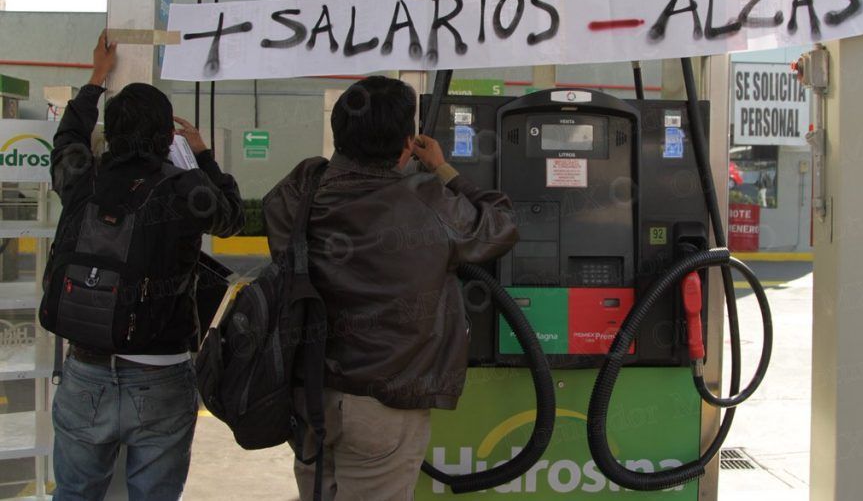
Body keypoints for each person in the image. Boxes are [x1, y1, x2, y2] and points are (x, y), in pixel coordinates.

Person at [263, 76, 518, 501]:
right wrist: (443, 168)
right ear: (406, 140)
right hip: (382, 404)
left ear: (338, 132)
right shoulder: (428, 199)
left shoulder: (302, 187)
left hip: (309, 392)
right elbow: (501, 224)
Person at [49, 31, 245, 500]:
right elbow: (232, 218)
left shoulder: (83, 179)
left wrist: (97, 77)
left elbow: (68, 138)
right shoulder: (184, 190)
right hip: (161, 374)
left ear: (111, 135)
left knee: (74, 494)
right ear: (165, 138)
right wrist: (201, 155)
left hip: (85, 372)